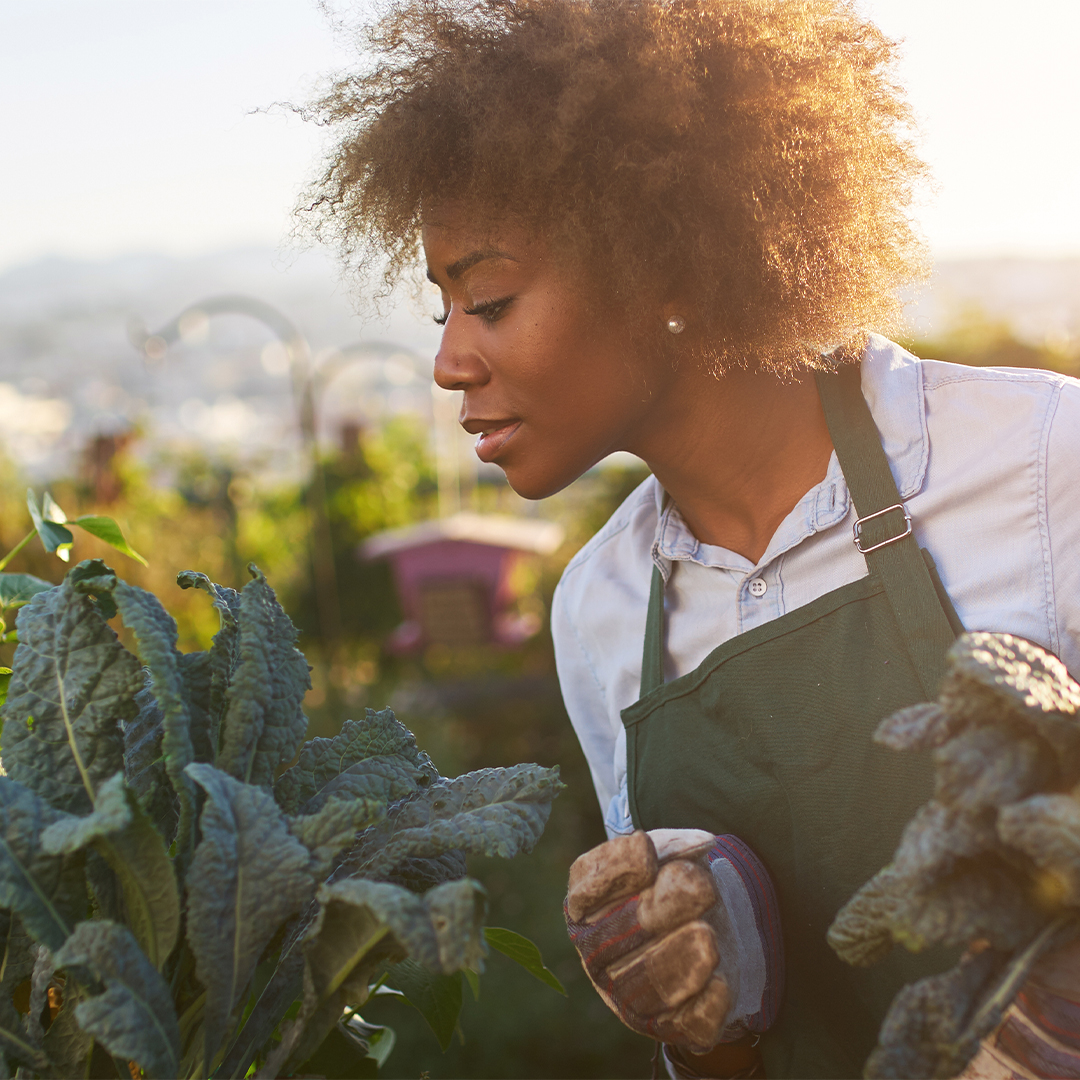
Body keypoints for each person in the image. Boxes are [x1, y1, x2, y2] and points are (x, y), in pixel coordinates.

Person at [303, 2, 1080, 1076]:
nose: (449, 362)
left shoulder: (1044, 462)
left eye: (488, 298)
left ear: (666, 263)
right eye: (445, 308)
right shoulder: (601, 612)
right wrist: (697, 1001)